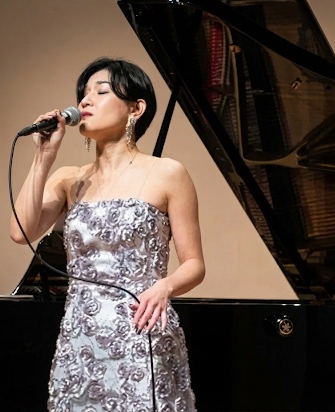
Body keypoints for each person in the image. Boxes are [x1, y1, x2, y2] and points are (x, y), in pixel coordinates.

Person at [10, 57, 205, 411]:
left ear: (136, 108)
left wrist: (164, 287)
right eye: (83, 94)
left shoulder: (168, 173)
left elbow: (194, 264)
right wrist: (44, 155)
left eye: (101, 92)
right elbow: (21, 232)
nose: (85, 101)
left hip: (142, 329)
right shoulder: (69, 179)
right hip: (81, 336)